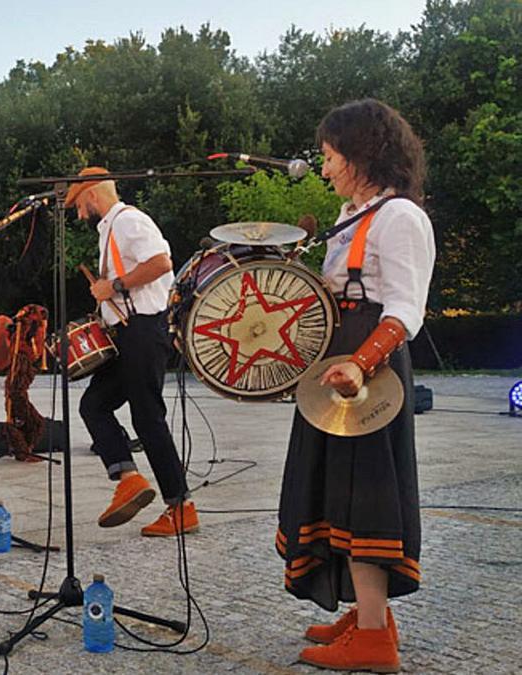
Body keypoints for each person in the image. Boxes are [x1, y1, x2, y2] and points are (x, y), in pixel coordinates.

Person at [277, 99, 433, 673]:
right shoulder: (355, 215)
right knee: (333, 492)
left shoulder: (400, 218)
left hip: (370, 368)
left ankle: (373, 639)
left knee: (366, 495)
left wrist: (361, 364)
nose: (324, 169)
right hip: (339, 358)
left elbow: (405, 307)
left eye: (330, 155)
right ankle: (372, 618)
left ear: (361, 151)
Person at [65, 167, 194, 535]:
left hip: (144, 329)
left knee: (147, 417)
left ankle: (181, 507)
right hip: (129, 332)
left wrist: (114, 286)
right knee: (94, 405)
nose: (77, 213)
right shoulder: (112, 227)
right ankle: (129, 478)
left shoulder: (128, 220)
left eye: (78, 204)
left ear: (92, 194)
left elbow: (161, 263)